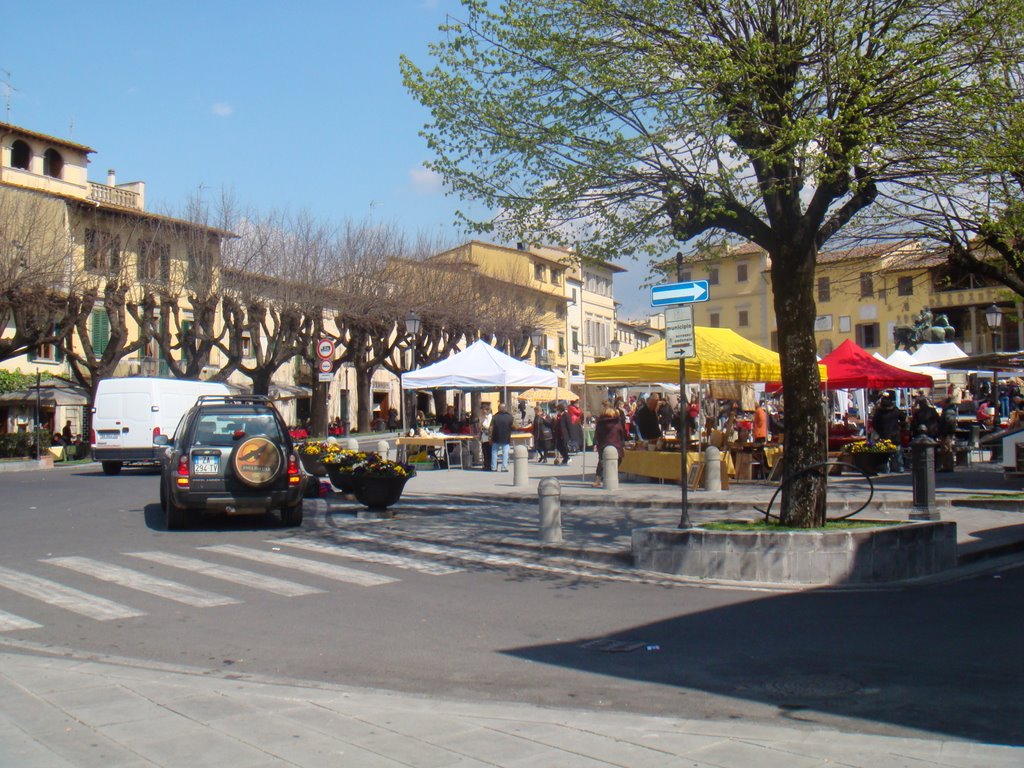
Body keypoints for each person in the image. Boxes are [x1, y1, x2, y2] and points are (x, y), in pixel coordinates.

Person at [870, 390, 907, 472]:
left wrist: (879, 430)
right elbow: (903, 418)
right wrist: (901, 425)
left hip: (883, 434)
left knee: (885, 453)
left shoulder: (879, 411)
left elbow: (874, 423)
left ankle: (886, 468)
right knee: (897, 452)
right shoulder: (895, 410)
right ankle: (900, 468)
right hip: (895, 434)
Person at [593, 406, 626, 487]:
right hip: (616, 445)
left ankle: (598, 479)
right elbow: (622, 434)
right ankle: (611, 476)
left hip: (603, 445)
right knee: (617, 461)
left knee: (601, 462)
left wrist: (597, 444)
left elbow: (597, 435)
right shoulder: (617, 423)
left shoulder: (600, 423)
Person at [490, 402, 515, 472]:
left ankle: (494, 467)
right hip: (506, 437)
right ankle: (504, 467)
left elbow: (491, 428)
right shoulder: (510, 417)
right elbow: (515, 426)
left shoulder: (494, 417)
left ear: (498, 409)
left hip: (495, 437)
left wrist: (490, 437)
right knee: (505, 453)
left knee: (494, 453)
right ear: (505, 408)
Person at [479, 403, 493, 471]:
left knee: (488, 452)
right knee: (484, 452)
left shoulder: (489, 416)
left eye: (482, 410)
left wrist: (482, 422)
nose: (481, 412)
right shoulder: (483, 416)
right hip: (483, 436)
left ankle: (489, 465)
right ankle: (486, 465)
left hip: (488, 437)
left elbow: (487, 426)